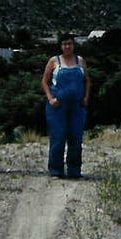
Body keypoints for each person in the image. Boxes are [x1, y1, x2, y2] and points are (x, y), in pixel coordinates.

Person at [41, 33, 90, 178]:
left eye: (69, 43)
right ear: (60, 46)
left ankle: (74, 170)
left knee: (76, 138)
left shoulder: (80, 61)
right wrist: (50, 98)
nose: (67, 46)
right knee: (58, 137)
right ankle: (56, 170)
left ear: (73, 45)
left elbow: (87, 80)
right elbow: (44, 81)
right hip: (57, 108)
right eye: (64, 44)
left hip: (77, 106)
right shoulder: (54, 61)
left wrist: (86, 97)